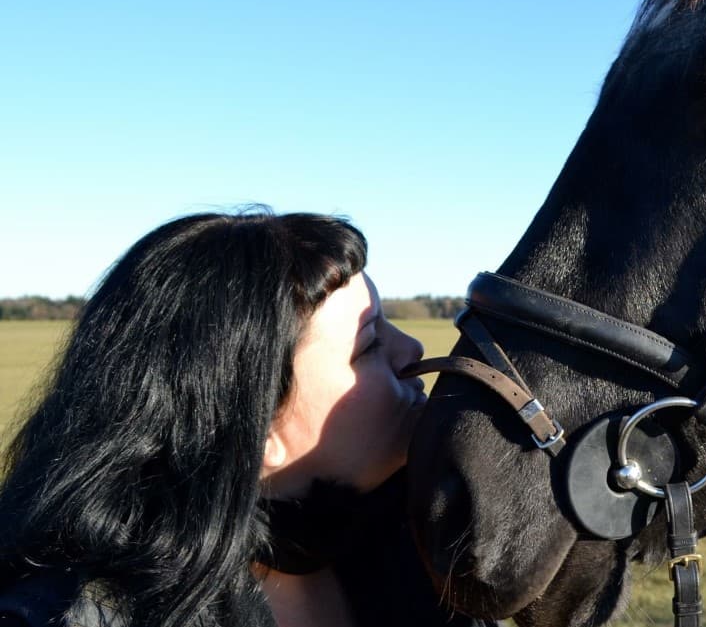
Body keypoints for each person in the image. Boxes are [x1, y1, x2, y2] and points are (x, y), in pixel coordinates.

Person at [0, 211, 480, 627]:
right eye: (370, 344)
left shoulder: (425, 554)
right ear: (257, 427)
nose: (412, 351)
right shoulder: (71, 614)